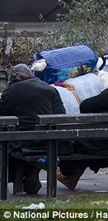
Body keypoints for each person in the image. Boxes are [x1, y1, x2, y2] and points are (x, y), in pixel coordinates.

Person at [0, 64, 69, 195]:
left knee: (9, 144)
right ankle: (32, 176)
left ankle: (21, 181)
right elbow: (61, 115)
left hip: (22, 142)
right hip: (49, 142)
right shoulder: (50, 89)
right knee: (35, 141)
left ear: (14, 78)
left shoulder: (11, 91)